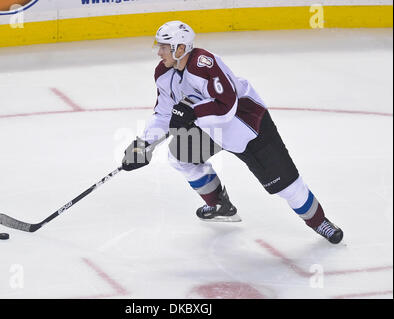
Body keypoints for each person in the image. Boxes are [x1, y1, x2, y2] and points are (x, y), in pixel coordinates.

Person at [121, 21, 343, 244]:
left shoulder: (203, 64)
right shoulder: (163, 73)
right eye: (159, 46)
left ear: (180, 48)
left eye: (164, 47)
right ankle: (220, 205)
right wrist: (143, 144)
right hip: (211, 129)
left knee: (288, 187)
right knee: (179, 156)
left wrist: (192, 111)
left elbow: (227, 106)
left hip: (248, 128)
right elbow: (164, 114)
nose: (159, 52)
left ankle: (320, 222)